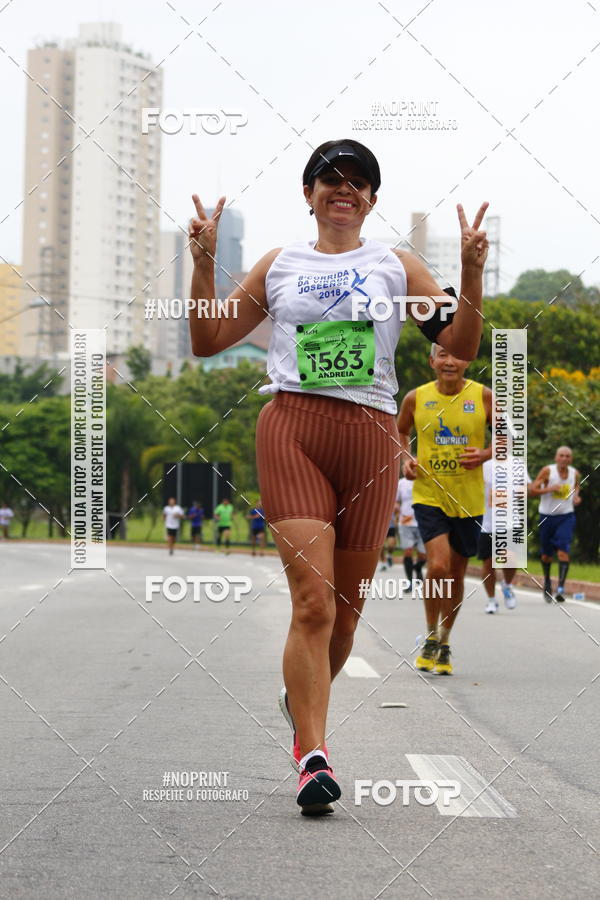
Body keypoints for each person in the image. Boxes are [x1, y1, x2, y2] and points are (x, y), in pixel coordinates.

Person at [188, 138, 488, 813]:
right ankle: (313, 757)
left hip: (370, 438)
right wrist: (203, 265)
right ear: (309, 194)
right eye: (330, 179)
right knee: (313, 604)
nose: (343, 189)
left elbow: (459, 345)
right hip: (293, 429)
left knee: (346, 618)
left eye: (357, 181)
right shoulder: (279, 264)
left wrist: (471, 277)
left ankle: (301, 700)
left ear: (372, 199)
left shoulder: (396, 265)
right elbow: (207, 340)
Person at [397, 344, 492, 675]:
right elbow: (400, 430)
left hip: (469, 499)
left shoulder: (483, 396)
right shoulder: (416, 398)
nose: (450, 361)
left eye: (457, 355)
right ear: (432, 361)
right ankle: (430, 636)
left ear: (467, 361)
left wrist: (485, 454)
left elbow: (510, 435)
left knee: (456, 574)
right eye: (442, 355)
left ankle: (446, 640)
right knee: (438, 566)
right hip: (429, 495)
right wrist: (407, 458)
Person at [479, 457, 535, 613]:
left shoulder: (517, 464)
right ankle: (491, 600)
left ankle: (507, 585)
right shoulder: (483, 465)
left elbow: (528, 487)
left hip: (511, 521)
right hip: (487, 522)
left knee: (510, 558)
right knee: (488, 563)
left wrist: (521, 492)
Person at [532, 446, 581, 602]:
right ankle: (547, 581)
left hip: (566, 516)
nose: (564, 458)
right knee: (546, 555)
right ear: (556, 457)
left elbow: (576, 486)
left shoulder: (574, 473)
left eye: (567, 456)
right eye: (561, 455)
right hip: (547, 517)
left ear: (571, 459)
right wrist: (549, 489)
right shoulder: (547, 471)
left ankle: (560, 588)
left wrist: (576, 497)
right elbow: (532, 490)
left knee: (563, 551)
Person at [396, 476, 426, 589]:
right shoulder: (401, 483)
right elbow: (396, 501)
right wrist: (396, 508)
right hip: (406, 522)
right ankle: (409, 582)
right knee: (408, 552)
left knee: (423, 555)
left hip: (423, 521)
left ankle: (418, 568)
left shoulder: (425, 479)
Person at [379, 506, 398, 571]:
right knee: (381, 546)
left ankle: (389, 555)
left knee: (391, 545)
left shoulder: (393, 503)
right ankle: (383, 563)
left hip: (391, 527)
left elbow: (398, 513)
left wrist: (396, 519)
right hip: (380, 528)